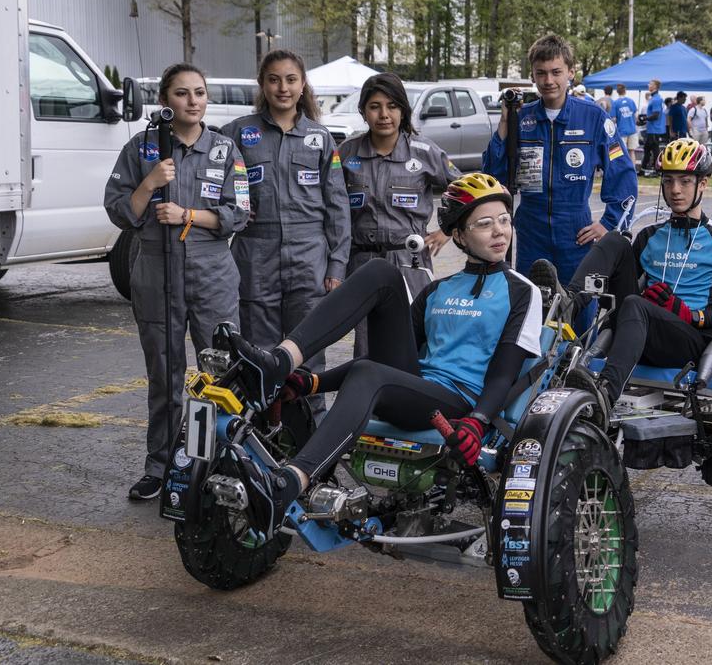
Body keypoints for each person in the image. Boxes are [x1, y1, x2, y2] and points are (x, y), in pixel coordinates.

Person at [227, 173, 544, 538]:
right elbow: (383, 364)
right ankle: (279, 362)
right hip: (415, 389)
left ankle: (289, 484)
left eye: (504, 220)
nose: (499, 232)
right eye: (484, 224)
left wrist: (478, 420)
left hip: (457, 403)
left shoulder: (523, 292)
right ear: (459, 235)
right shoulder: (437, 290)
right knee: (379, 271)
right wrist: (311, 383)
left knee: (369, 374)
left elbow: (505, 372)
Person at [104, 63, 249, 500]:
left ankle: (222, 464)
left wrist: (188, 215)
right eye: (182, 93)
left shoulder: (225, 150)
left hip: (211, 272)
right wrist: (149, 184)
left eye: (199, 92)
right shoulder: (142, 147)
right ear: (165, 101)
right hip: (154, 269)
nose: (193, 101)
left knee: (220, 375)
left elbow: (239, 212)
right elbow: (117, 210)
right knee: (164, 376)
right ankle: (162, 466)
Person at [534, 139, 712, 412]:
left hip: (689, 339)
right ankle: (569, 303)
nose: (675, 190)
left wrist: (695, 316)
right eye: (668, 181)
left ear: (703, 183)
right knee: (615, 241)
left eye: (685, 181)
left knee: (635, 304)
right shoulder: (650, 235)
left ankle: (605, 394)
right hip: (640, 330)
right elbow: (624, 286)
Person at [222, 49, 350, 372]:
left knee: (307, 355)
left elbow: (337, 205)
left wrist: (336, 266)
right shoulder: (237, 133)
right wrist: (230, 210)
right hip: (255, 258)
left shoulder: (320, 138)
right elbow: (205, 177)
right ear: (262, 85)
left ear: (303, 84)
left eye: (291, 80)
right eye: (274, 80)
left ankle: (311, 423)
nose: (283, 88)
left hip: (309, 260)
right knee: (257, 356)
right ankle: (263, 423)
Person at [482, 33, 637, 286]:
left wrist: (609, 223)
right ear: (532, 75)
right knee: (532, 309)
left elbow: (622, 174)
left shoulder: (593, 117)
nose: (548, 80)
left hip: (576, 234)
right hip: (532, 231)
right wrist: (504, 124)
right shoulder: (520, 118)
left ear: (570, 73)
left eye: (556, 72)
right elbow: (493, 177)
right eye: (541, 73)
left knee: (580, 309)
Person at [340, 72, 459, 355]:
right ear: (363, 111)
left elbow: (466, 192)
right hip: (362, 262)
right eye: (375, 106)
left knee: (413, 338)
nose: (384, 114)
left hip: (410, 261)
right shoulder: (347, 153)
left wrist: (448, 230)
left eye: (392, 106)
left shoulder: (424, 151)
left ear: (403, 110)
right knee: (367, 345)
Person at [641, 79, 667, 174]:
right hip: (653, 128)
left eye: (650, 84)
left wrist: (645, 119)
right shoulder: (655, 98)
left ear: (655, 86)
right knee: (648, 149)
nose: (648, 85)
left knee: (654, 150)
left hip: (654, 128)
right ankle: (644, 169)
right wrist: (645, 119)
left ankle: (658, 170)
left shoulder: (656, 99)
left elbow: (656, 115)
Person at [611, 82, 639, 159]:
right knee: (632, 152)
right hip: (632, 130)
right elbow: (636, 116)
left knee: (622, 153)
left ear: (617, 92)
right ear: (625, 91)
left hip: (622, 131)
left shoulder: (615, 103)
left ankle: (624, 170)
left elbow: (613, 119)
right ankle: (633, 170)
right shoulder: (631, 101)